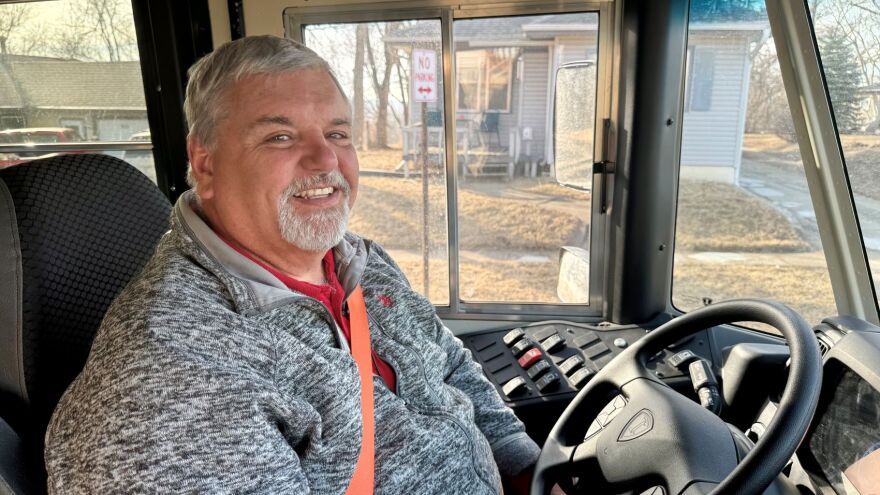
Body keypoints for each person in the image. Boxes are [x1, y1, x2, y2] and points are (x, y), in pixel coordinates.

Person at [44, 35, 540, 494]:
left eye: (338, 133)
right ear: (205, 163)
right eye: (280, 137)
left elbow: (448, 365)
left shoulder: (360, 260)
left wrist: (527, 469)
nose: (325, 159)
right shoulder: (168, 384)